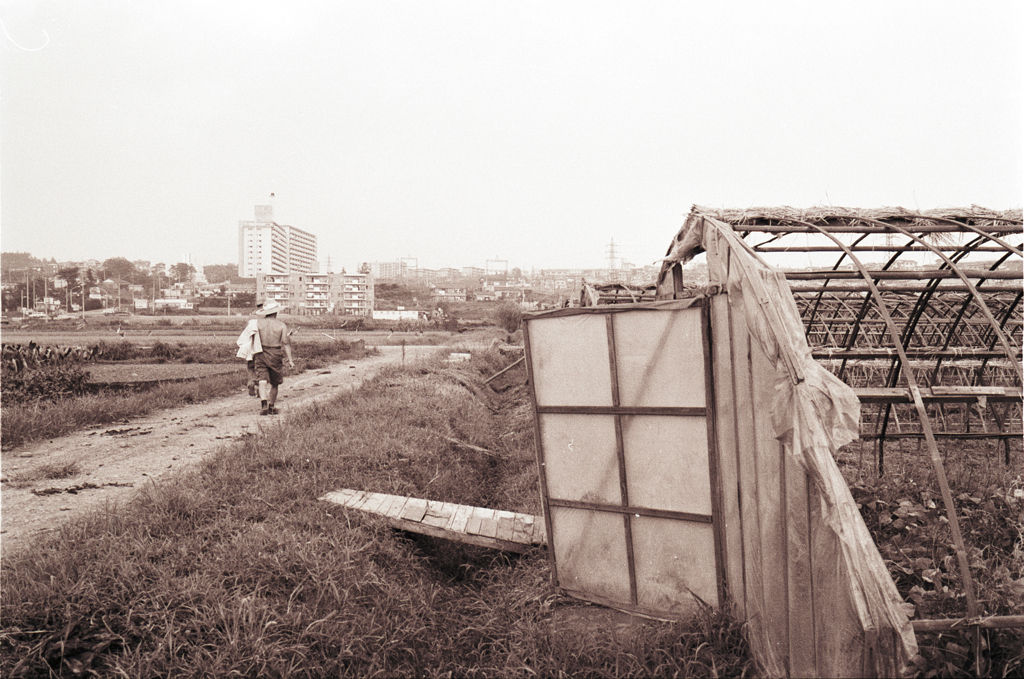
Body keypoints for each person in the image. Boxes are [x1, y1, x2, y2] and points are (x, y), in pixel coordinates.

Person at [253, 300, 295, 415]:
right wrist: (290, 360)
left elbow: (251, 339)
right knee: (274, 382)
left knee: (262, 379)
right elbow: (285, 343)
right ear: (276, 312)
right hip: (275, 353)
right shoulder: (281, 325)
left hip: (261, 352)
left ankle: (263, 403)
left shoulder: (258, 324)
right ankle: (271, 406)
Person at [235, 303, 263, 396]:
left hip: (250, 347)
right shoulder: (264, 317)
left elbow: (246, 333)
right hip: (260, 347)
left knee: (250, 367)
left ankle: (251, 383)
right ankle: (259, 388)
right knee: (261, 368)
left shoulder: (251, 317)